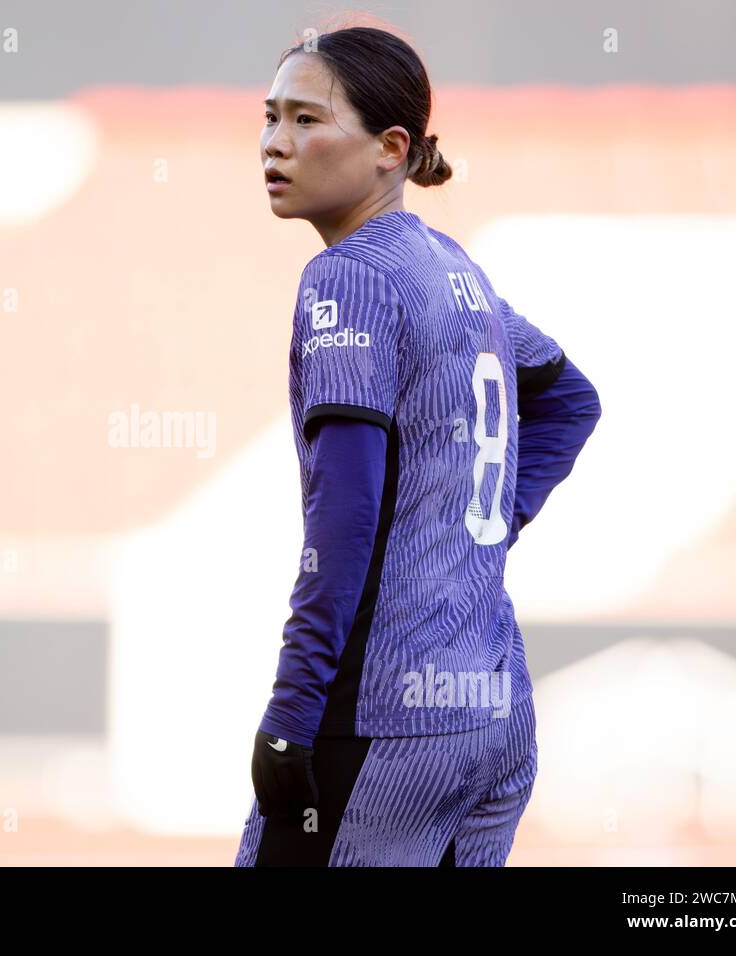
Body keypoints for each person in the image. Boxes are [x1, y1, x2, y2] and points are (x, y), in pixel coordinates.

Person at [236, 26, 602, 866]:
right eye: (269, 118)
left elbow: (348, 514)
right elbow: (571, 399)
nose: (274, 144)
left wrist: (292, 716)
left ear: (390, 149)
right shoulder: (453, 267)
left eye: (305, 121)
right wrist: (478, 528)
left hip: (385, 718)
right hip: (491, 710)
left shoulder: (349, 276)